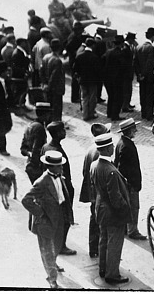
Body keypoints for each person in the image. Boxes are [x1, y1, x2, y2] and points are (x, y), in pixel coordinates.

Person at [21, 151, 74, 289]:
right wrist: (41, 213)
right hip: (46, 221)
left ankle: (53, 265)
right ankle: (52, 279)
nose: (62, 168)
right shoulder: (41, 182)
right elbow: (26, 200)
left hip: (59, 217)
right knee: (47, 251)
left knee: (56, 245)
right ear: (51, 167)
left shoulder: (59, 177)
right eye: (59, 166)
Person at [90, 133, 131, 284]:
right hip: (113, 213)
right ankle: (112, 274)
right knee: (114, 243)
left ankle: (103, 268)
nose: (114, 147)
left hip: (100, 209)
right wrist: (125, 208)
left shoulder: (94, 165)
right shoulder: (111, 171)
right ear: (107, 149)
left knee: (104, 240)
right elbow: (116, 198)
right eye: (111, 146)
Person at [41, 121, 76, 256]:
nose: (65, 132)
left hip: (54, 189)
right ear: (56, 134)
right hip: (62, 189)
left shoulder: (46, 147)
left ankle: (58, 244)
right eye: (62, 130)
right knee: (64, 218)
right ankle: (61, 246)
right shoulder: (56, 151)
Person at [79, 123, 111, 259]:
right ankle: (99, 249)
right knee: (100, 222)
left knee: (94, 219)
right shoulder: (100, 153)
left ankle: (93, 248)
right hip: (98, 193)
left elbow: (84, 171)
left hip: (91, 192)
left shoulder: (89, 149)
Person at [114, 118, 147, 240]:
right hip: (131, 183)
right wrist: (130, 182)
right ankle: (133, 230)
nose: (136, 131)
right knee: (133, 207)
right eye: (134, 129)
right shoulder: (127, 146)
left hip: (127, 182)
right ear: (129, 131)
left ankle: (126, 228)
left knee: (128, 206)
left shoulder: (121, 142)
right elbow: (122, 167)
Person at [21, 102, 53, 184]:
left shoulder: (30, 125)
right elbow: (37, 150)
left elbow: (23, 149)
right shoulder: (40, 129)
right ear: (45, 114)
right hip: (36, 168)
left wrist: (29, 154)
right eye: (49, 113)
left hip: (29, 165)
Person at [73, 38, 102, 121]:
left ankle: (85, 115)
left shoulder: (79, 56)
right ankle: (91, 113)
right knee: (92, 98)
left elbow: (75, 69)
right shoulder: (94, 57)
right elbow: (98, 70)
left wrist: (79, 76)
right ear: (92, 45)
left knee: (84, 98)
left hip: (82, 81)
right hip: (92, 81)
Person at [135, 28, 154, 121]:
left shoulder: (138, 47)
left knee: (142, 94)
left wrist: (139, 74)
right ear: (152, 37)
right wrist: (144, 74)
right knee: (149, 95)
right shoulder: (151, 48)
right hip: (148, 77)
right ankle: (149, 114)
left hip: (141, 77)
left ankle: (143, 113)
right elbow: (149, 64)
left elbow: (135, 63)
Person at [41, 39, 65, 122]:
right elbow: (54, 76)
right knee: (57, 108)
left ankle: (48, 121)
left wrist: (44, 84)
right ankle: (56, 123)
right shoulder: (57, 61)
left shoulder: (45, 57)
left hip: (47, 87)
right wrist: (49, 86)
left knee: (49, 106)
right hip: (56, 88)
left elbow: (41, 72)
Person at [121, 32, 137, 113]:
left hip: (127, 73)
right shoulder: (125, 48)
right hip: (126, 74)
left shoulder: (127, 47)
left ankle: (127, 104)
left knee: (128, 90)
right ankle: (125, 106)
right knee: (126, 90)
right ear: (130, 39)